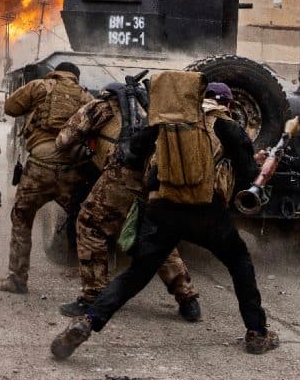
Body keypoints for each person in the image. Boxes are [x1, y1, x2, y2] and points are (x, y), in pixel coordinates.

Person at [51, 72, 279, 359]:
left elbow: (134, 154)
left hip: (163, 210)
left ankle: (89, 321)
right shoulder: (229, 127)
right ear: (227, 104)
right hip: (207, 213)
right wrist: (263, 170)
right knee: (239, 262)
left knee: (136, 274)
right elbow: (249, 178)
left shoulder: (162, 123)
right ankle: (257, 333)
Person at [55, 80, 200, 321]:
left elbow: (64, 141)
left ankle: (94, 297)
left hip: (123, 176)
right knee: (157, 236)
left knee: (90, 225)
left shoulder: (100, 107)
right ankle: (187, 298)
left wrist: (86, 152)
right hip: (159, 177)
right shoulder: (151, 110)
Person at [0, 62, 94, 294]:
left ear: (56, 72)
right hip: (71, 170)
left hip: (38, 167)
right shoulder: (86, 97)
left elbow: (10, 108)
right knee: (89, 225)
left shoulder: (39, 86)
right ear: (75, 77)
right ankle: (94, 288)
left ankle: (17, 279)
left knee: (22, 216)